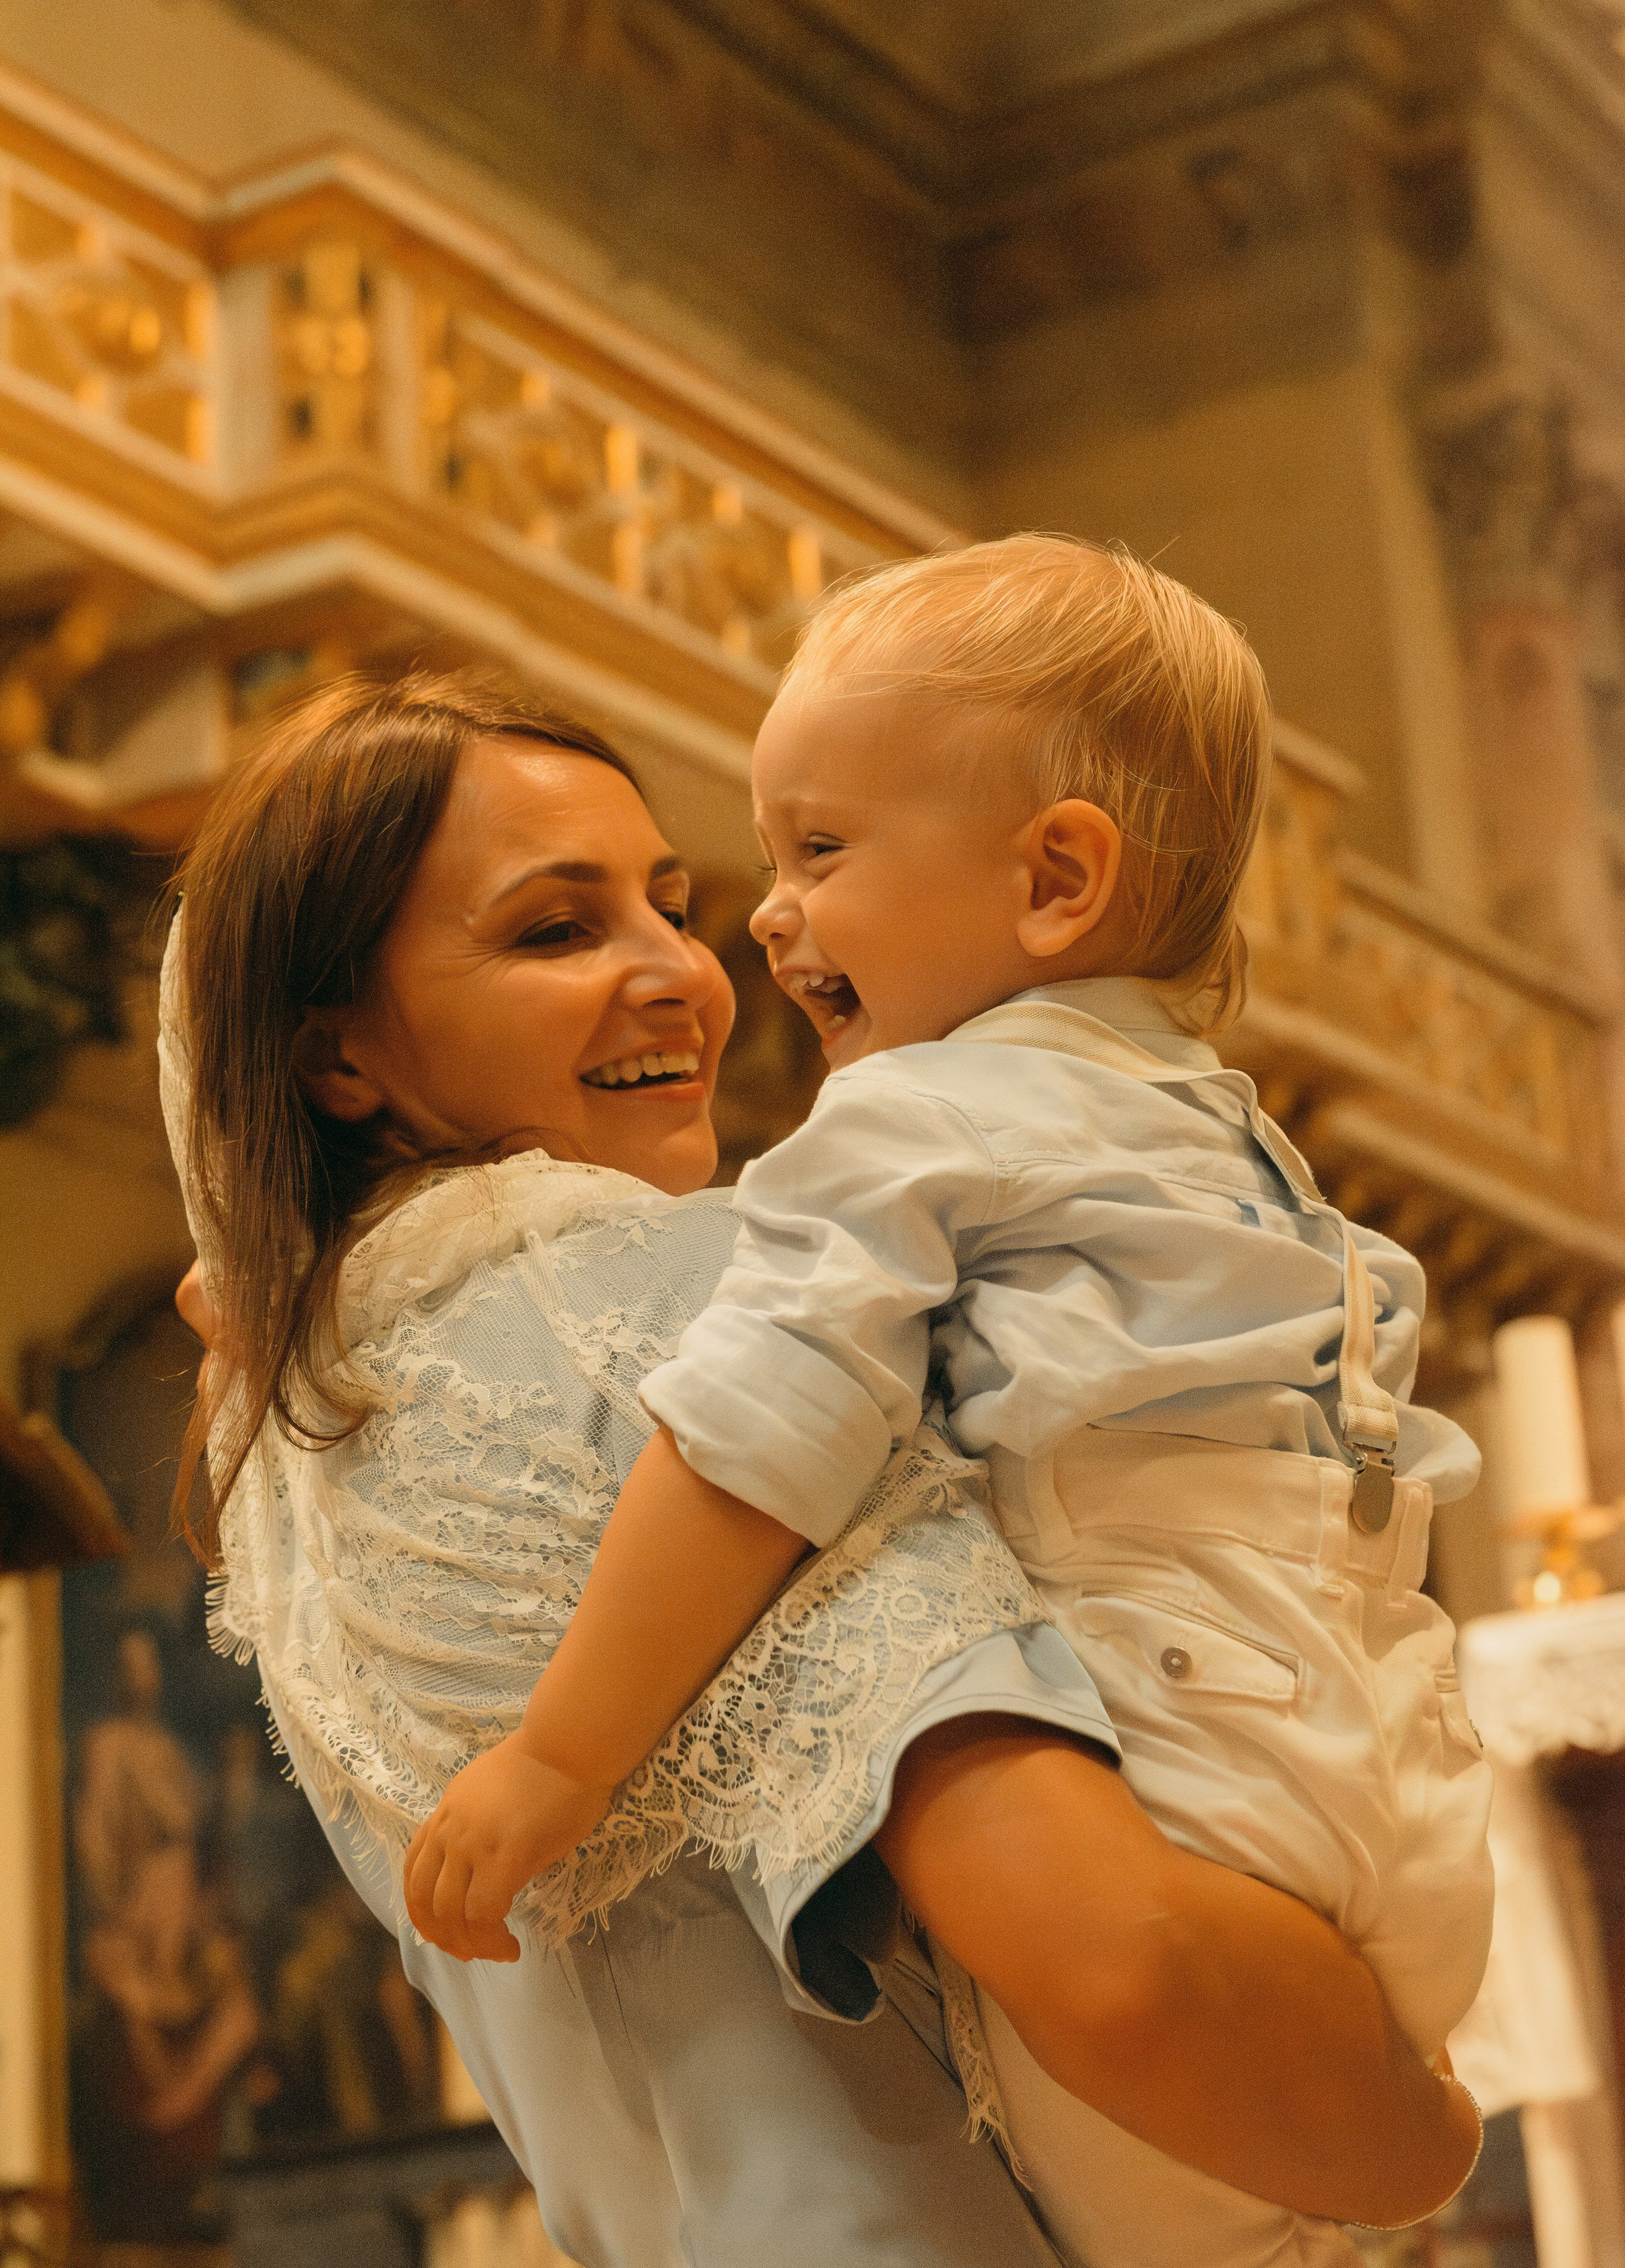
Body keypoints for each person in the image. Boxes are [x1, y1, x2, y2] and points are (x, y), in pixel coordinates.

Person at [166, 667, 1481, 2268]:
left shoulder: (298, 1438)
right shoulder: (679, 1320)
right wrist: (1411, 2135)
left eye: (671, 904)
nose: (685, 975)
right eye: (555, 931)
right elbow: (1118, 1966)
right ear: (338, 1059)